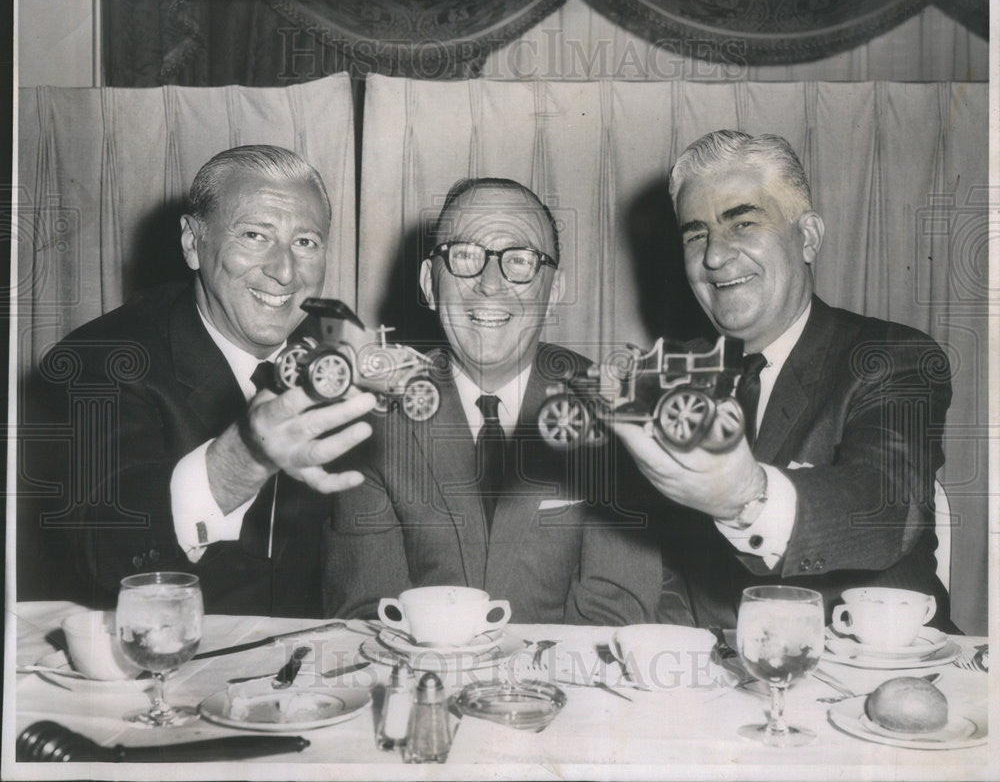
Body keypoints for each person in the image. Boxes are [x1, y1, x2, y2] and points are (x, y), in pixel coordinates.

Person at [614, 130, 954, 629]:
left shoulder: (891, 357)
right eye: (695, 234)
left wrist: (746, 495)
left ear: (809, 237)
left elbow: (885, 511)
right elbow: (661, 572)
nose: (713, 255)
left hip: (875, 672)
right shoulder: (670, 374)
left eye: (743, 222)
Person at [37, 145, 376, 616]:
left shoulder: (338, 350)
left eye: (306, 242)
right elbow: (102, 552)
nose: (284, 273)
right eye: (256, 235)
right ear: (193, 243)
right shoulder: (98, 362)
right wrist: (239, 460)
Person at [322, 178, 663, 623]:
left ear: (554, 290)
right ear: (429, 282)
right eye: (465, 256)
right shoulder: (371, 418)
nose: (489, 284)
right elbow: (368, 615)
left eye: (520, 261)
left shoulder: (614, 412)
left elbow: (614, 615)